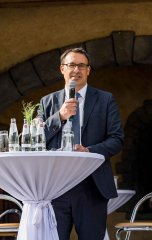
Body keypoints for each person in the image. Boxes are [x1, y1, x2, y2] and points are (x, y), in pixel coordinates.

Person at [36, 47, 124, 240]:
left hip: (91, 186)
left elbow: (117, 139)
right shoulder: (47, 102)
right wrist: (60, 116)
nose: (76, 70)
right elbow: (36, 141)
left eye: (81, 65)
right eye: (71, 65)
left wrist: (90, 150)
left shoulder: (105, 99)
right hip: (56, 187)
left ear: (88, 70)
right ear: (62, 69)